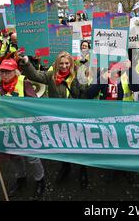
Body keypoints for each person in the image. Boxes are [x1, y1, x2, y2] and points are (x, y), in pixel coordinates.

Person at [18, 51, 88, 188]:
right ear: (57, 64)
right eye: (61, 63)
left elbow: (85, 92)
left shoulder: (78, 75)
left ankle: (83, 169)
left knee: (79, 143)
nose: (64, 66)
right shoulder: (51, 76)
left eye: (67, 63)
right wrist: (26, 62)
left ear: (71, 63)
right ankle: (65, 166)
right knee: (62, 142)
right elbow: (35, 75)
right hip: (58, 117)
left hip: (75, 116)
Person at [0, 58, 46, 199]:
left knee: (32, 157)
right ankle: (21, 178)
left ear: (15, 72)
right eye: (2, 71)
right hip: (7, 129)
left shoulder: (24, 82)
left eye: (8, 71)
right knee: (14, 157)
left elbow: (35, 104)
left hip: (25, 128)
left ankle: (40, 180)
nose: (4, 74)